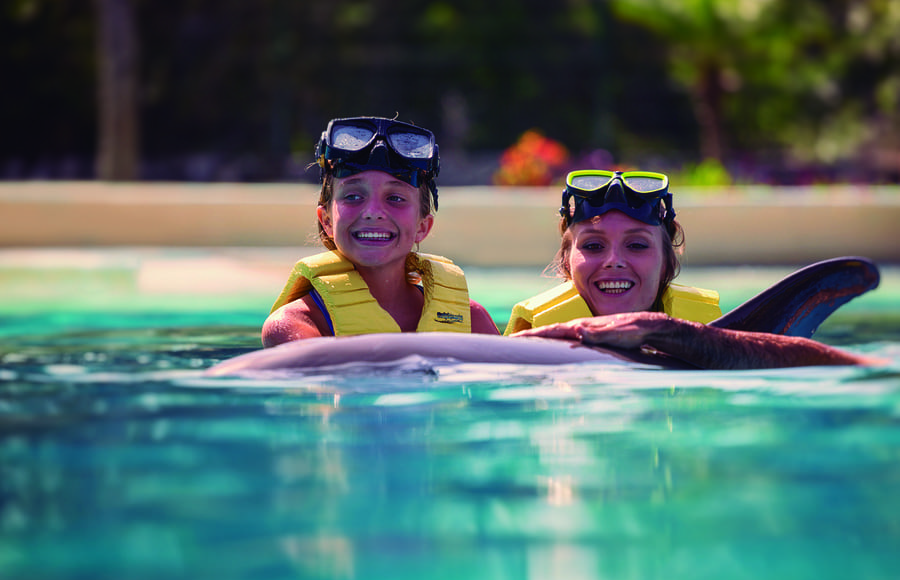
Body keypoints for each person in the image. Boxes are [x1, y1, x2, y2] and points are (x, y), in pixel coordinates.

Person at [506, 169, 875, 369]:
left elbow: (850, 366)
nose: (613, 260)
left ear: (668, 260)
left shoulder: (712, 329)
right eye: (592, 246)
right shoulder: (528, 340)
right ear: (567, 260)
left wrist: (667, 333)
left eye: (636, 245)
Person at [262, 116, 499, 347]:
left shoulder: (470, 320)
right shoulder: (298, 325)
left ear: (422, 227)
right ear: (327, 221)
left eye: (395, 198)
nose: (373, 212)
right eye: (353, 196)